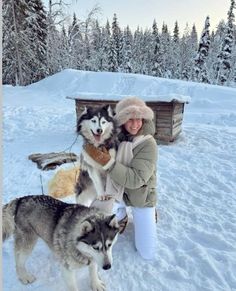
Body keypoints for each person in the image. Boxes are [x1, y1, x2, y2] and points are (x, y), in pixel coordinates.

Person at [85, 96, 158, 260]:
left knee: (147, 252)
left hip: (140, 196)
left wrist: (108, 163)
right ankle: (121, 213)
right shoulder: (115, 137)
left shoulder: (148, 144)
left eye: (138, 119)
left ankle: (150, 214)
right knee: (104, 203)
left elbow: (135, 179)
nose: (134, 124)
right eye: (129, 119)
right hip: (119, 193)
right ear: (122, 120)